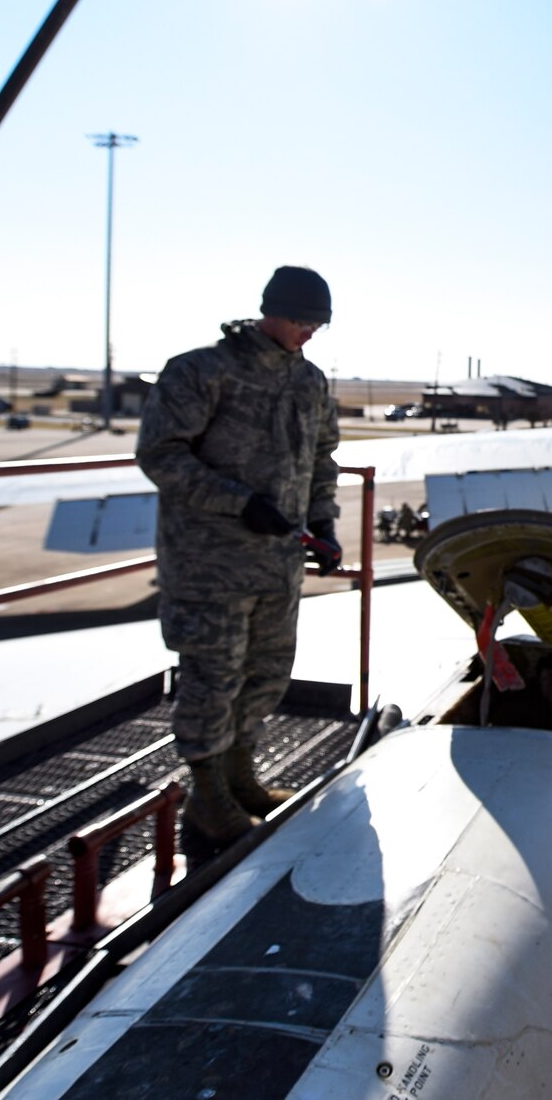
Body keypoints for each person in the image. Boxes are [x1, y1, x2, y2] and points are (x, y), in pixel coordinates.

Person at [138, 265, 344, 857]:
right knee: (212, 677)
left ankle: (239, 778)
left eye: (318, 324)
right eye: (303, 319)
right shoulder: (200, 372)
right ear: (271, 310)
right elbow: (160, 456)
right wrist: (238, 504)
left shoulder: (309, 383)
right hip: (210, 565)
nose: (309, 332)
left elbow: (322, 458)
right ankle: (206, 800)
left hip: (277, 564)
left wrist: (323, 521)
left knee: (266, 673)